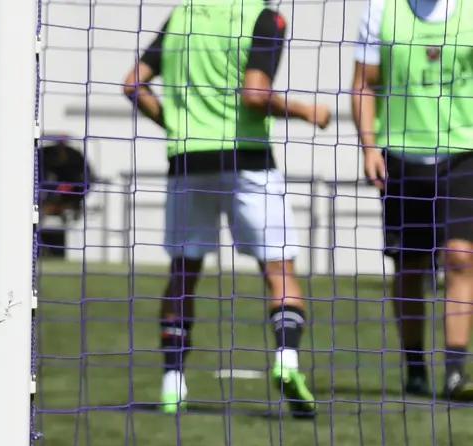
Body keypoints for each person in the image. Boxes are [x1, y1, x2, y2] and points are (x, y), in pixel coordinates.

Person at [121, 0, 331, 417]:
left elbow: (133, 85)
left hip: (187, 160)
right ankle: (286, 363)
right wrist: (308, 112)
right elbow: (255, 94)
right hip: (247, 158)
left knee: (184, 272)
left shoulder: (183, 15)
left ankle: (172, 384)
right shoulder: (263, 17)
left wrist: (176, 125)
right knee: (279, 271)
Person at [352, 0, 473, 401]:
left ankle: (456, 371)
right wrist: (369, 147)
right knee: (409, 266)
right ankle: (414, 365)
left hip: (462, 154)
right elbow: (365, 84)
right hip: (401, 158)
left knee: (460, 257)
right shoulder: (380, 11)